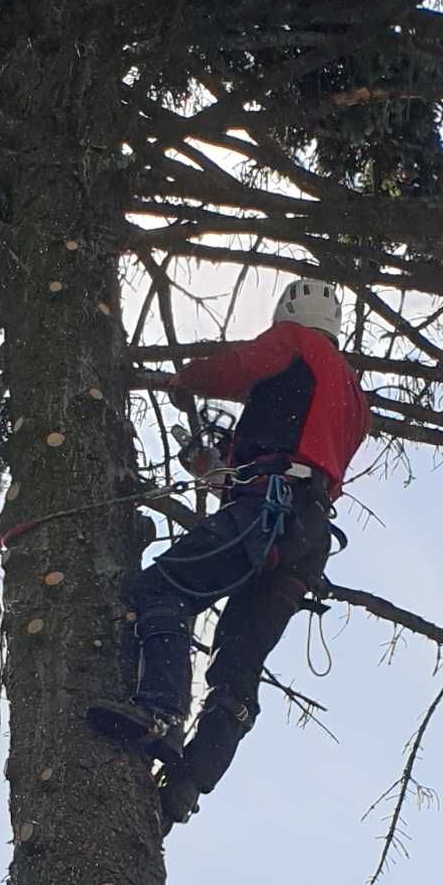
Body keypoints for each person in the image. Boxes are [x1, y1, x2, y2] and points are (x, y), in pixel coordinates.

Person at [88, 276, 368, 825]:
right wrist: (218, 470)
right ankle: (189, 781)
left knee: (161, 588)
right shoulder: (353, 397)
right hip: (305, 538)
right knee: (237, 665)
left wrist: (185, 380)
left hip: (268, 508)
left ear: (290, 313)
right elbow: (302, 456)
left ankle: (160, 712)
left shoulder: (293, 343)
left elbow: (239, 367)